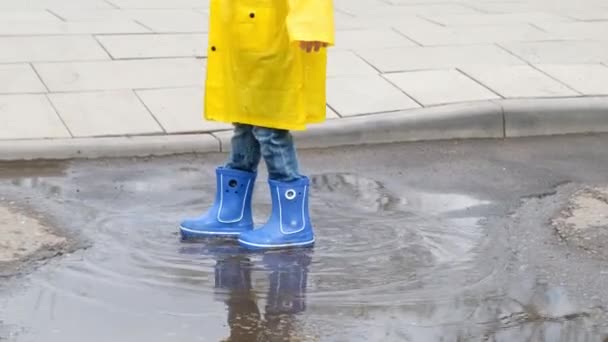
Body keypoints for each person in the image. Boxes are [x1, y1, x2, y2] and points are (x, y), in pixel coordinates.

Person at [180, 0, 335, 250]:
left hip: (274, 40)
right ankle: (230, 214)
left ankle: (292, 225)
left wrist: (311, 25)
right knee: (245, 123)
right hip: (245, 39)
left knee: (270, 128)